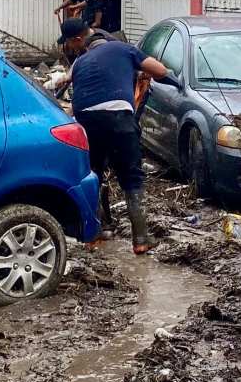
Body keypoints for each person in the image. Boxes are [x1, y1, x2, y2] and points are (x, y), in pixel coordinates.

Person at [59, 17, 167, 254]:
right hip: (119, 119)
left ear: (83, 41)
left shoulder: (79, 62)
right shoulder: (123, 48)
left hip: (85, 122)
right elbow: (161, 71)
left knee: (93, 174)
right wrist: (139, 71)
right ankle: (140, 239)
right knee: (130, 175)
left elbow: (69, 84)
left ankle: (94, 232)